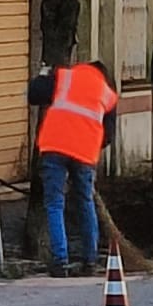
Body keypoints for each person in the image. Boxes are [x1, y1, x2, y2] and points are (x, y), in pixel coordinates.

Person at [28, 58, 119, 277]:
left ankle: (60, 262)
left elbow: (34, 94)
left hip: (54, 146)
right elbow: (107, 136)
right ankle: (90, 261)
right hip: (85, 152)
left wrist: (44, 73)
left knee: (54, 203)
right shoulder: (108, 94)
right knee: (85, 202)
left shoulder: (65, 77)